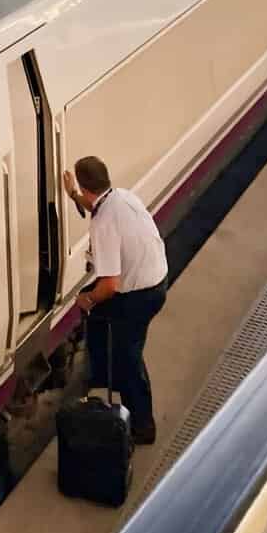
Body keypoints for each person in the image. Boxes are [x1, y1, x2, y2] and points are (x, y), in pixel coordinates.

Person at [62, 154, 168, 445]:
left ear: (86, 188)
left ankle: (143, 427)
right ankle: (101, 378)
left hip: (139, 296)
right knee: (105, 327)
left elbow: (108, 285)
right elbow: (94, 206)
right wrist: (72, 194)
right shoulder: (121, 197)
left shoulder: (104, 223)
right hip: (155, 280)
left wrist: (86, 300)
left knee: (128, 358)